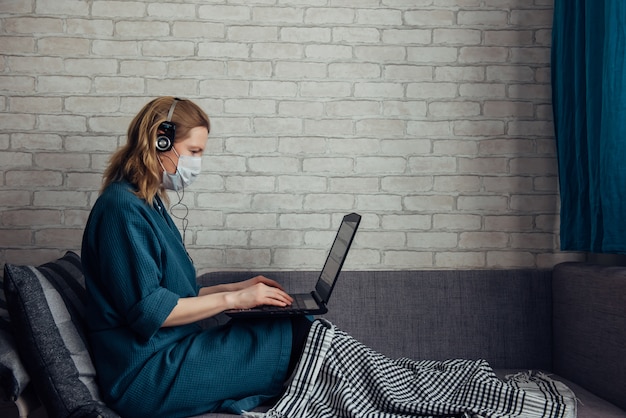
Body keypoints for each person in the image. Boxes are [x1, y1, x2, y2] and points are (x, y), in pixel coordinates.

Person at [81, 97, 312, 418]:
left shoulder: (149, 204)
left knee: (296, 325)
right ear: (159, 141)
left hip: (172, 352)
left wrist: (236, 288)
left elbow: (175, 296)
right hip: (145, 374)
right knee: (297, 333)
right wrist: (236, 298)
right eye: (193, 152)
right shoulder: (121, 210)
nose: (197, 163)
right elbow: (152, 313)